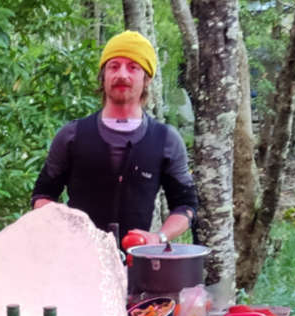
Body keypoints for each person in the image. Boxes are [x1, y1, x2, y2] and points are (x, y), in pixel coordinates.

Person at [31, 31, 198, 260]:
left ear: (147, 79)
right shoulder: (72, 135)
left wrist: (158, 237)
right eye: (114, 66)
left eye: (133, 67)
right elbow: (42, 196)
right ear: (103, 76)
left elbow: (186, 205)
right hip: (78, 264)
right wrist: (64, 228)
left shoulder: (166, 140)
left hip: (138, 266)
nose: (122, 74)